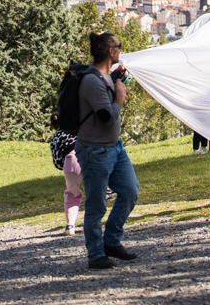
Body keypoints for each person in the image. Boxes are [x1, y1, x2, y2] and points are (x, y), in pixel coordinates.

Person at [75, 32, 139, 270]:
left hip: (115, 147)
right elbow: (105, 117)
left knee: (130, 191)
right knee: (96, 205)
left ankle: (111, 241)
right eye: (119, 47)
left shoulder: (104, 77)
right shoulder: (92, 81)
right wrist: (120, 97)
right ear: (111, 51)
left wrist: (117, 80)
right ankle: (96, 255)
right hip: (95, 151)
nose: (120, 50)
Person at [49, 114, 80, 236]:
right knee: (93, 191)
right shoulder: (79, 129)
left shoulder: (57, 136)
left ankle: (70, 226)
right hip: (88, 156)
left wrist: (64, 168)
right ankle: (89, 222)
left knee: (72, 193)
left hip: (71, 161)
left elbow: (57, 160)